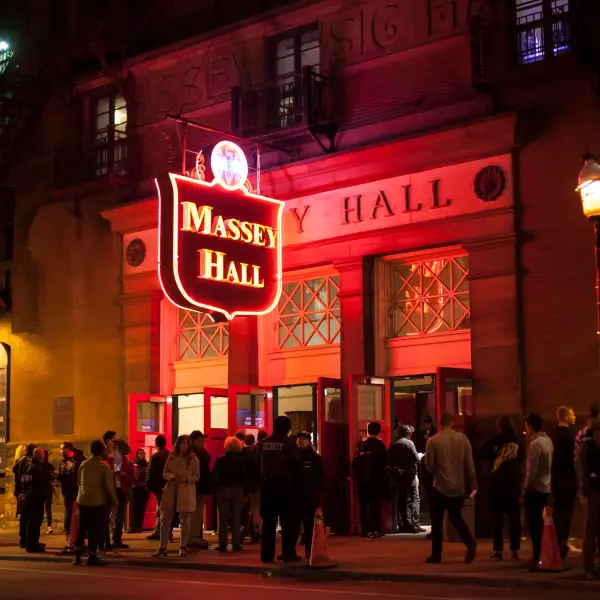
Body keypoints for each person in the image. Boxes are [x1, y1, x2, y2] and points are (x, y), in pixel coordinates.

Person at [425, 413, 477, 564]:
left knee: (437, 521)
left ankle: (436, 554)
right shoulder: (463, 439)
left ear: (440, 424)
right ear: (452, 423)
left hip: (440, 486)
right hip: (458, 487)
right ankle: (469, 541)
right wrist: (472, 483)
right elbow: (469, 464)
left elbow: (430, 465)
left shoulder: (433, 441)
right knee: (456, 518)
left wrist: (436, 473)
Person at [479, 416, 524, 560]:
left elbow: (481, 454)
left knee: (497, 518)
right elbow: (523, 460)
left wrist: (489, 470)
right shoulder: (518, 441)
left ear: (500, 426)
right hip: (513, 484)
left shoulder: (494, 440)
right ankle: (515, 549)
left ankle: (498, 550)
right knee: (514, 518)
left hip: (497, 484)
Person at [260, 415, 302, 563]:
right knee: (288, 522)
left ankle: (266, 554)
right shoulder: (288, 444)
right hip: (285, 486)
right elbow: (297, 462)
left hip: (267, 486)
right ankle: (288, 553)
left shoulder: (265, 443)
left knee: (269, 523)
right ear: (287, 428)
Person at [152, 434, 199, 558]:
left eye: (187, 443)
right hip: (171, 488)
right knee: (165, 517)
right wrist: (170, 477)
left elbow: (197, 476)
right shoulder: (171, 456)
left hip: (185, 488)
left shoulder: (193, 459)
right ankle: (163, 547)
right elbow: (165, 472)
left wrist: (187, 478)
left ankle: (183, 547)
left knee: (185, 518)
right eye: (182, 443)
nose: (185, 445)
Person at [74, 440, 119, 566]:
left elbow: (79, 482)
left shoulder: (84, 464)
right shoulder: (104, 467)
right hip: (97, 501)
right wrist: (115, 502)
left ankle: (77, 554)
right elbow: (109, 486)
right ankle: (92, 555)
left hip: (83, 499)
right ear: (103, 450)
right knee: (95, 529)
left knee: (82, 527)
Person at [523, 413, 553, 568]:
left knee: (534, 525)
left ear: (530, 426)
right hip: (546, 486)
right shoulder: (548, 441)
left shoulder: (535, 445)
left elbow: (531, 470)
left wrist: (525, 487)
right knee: (543, 524)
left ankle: (537, 557)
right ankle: (543, 554)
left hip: (535, 489)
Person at [551, 405, 577, 561]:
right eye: (572, 414)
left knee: (556, 512)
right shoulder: (570, 435)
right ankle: (562, 542)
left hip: (555, 479)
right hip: (568, 480)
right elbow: (574, 459)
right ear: (566, 417)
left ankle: (554, 541)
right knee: (567, 513)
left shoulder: (552, 435)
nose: (574, 417)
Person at [213, 436, 248, 552]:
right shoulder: (242, 461)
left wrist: (215, 488)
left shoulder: (221, 460)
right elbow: (245, 477)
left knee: (223, 517)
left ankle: (222, 543)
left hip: (223, 489)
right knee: (236, 516)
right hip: (238, 489)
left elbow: (215, 477)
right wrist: (246, 492)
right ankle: (236, 542)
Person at [389, 424, 424, 534]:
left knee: (402, 499)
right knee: (415, 498)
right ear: (407, 434)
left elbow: (389, 460)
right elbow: (416, 459)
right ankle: (415, 524)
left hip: (399, 475)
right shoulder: (409, 443)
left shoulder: (393, 444)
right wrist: (420, 455)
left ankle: (404, 523)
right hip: (411, 474)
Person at [356, 422, 388, 539]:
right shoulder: (380, 445)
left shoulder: (361, 444)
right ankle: (373, 530)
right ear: (379, 431)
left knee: (363, 506)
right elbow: (385, 462)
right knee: (375, 505)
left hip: (361, 480)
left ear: (367, 431)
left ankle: (364, 530)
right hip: (375, 479)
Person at [578, 417, 600, 579]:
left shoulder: (589, 446)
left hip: (595, 490)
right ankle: (588, 567)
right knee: (591, 528)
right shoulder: (589, 448)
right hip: (594, 492)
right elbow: (583, 472)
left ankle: (592, 566)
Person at [297, 431, 323, 559]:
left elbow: (319, 478)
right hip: (298, 495)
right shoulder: (295, 455)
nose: (301, 441)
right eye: (299, 438)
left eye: (303, 439)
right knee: (298, 524)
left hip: (308, 496)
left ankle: (308, 549)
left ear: (309, 441)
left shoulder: (314, 458)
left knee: (308, 524)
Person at [104, 436, 134, 550]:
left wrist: (124, 475)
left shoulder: (127, 462)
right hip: (111, 490)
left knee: (120, 516)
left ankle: (117, 540)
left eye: (114, 446)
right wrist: (112, 473)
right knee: (107, 516)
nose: (112, 448)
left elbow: (132, 478)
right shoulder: (108, 461)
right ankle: (106, 541)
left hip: (121, 490)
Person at [21, 448, 50, 553]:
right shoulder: (38, 468)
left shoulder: (28, 466)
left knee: (31, 522)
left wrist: (26, 491)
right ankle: (32, 546)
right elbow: (42, 483)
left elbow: (24, 481)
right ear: (41, 456)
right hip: (36, 498)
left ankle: (32, 543)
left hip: (30, 497)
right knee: (35, 522)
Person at [57, 442, 85, 553]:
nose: (60, 451)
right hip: (67, 490)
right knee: (68, 512)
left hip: (77, 489)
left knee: (79, 512)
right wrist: (58, 476)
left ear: (68, 449)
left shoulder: (79, 459)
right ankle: (69, 535)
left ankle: (79, 536)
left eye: (62, 449)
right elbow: (63, 475)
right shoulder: (62, 461)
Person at [189, 430, 211, 549]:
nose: (203, 441)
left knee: (198, 513)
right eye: (200, 439)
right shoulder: (193, 454)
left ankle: (196, 536)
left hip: (201, 487)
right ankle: (193, 537)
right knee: (195, 513)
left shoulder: (200, 452)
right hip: (197, 487)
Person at [146, 434, 170, 540]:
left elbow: (150, 472)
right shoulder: (170, 455)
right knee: (167, 508)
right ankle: (165, 530)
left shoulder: (155, 456)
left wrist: (149, 484)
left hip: (158, 485)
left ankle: (159, 531)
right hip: (168, 484)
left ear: (156, 444)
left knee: (160, 507)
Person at [13, 443, 36, 549]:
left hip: (20, 490)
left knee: (23, 515)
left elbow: (15, 471)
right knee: (27, 516)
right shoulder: (27, 461)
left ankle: (22, 539)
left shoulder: (19, 460)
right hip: (24, 491)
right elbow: (26, 477)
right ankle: (25, 539)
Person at [128, 448, 149, 533]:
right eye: (140, 453)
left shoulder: (146, 464)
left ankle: (139, 526)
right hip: (134, 488)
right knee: (133, 508)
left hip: (143, 488)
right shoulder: (134, 463)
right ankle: (133, 526)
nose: (141, 454)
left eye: (143, 453)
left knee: (141, 508)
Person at [42, 449, 56, 534]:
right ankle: (49, 526)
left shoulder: (38, 464)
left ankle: (38, 525)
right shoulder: (49, 465)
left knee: (39, 507)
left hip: (40, 488)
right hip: (48, 487)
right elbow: (52, 478)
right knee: (48, 508)